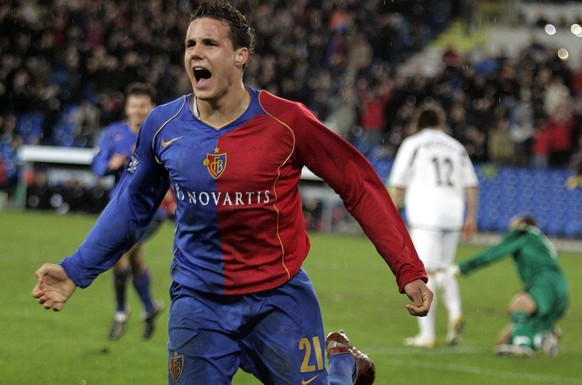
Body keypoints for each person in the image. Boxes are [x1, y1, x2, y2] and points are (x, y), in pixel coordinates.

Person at [32, 2, 433, 385]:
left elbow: (357, 184)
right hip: (198, 300)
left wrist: (407, 268)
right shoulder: (163, 126)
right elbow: (132, 204)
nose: (195, 53)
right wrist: (76, 269)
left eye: (209, 43)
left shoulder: (287, 121)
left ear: (241, 55)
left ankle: (342, 363)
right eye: (190, 44)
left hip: (278, 297)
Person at [388, 105, 479, 348]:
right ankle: (455, 313)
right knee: (444, 269)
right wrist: (471, 216)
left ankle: (427, 335)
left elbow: (399, 184)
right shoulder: (456, 146)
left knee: (424, 272)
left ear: (419, 123)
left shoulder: (414, 143)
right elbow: (472, 184)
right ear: (441, 123)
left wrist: (388, 216)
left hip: (426, 214)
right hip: (454, 215)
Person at [91, 82, 166, 340]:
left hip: (151, 212)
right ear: (127, 107)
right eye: (133, 105)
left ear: (152, 107)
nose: (138, 111)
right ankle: (150, 307)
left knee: (118, 256)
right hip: (120, 210)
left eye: (143, 106)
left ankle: (121, 311)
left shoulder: (160, 135)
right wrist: (109, 165)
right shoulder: (114, 133)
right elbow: (97, 164)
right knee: (134, 261)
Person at [450, 214, 569, 357]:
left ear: (522, 223)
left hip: (544, 283)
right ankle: (543, 338)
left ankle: (522, 346)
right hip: (560, 287)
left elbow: (495, 252)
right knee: (504, 339)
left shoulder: (523, 232)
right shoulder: (538, 239)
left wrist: (461, 268)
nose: (509, 226)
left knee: (519, 306)